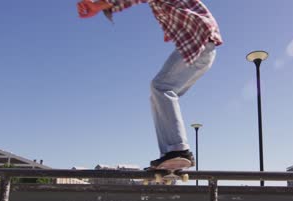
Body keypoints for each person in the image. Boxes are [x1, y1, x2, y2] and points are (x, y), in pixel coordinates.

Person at [77, 0, 223, 168]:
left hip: (200, 44)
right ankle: (170, 156)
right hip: (203, 49)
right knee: (159, 97)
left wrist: (100, 4)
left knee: (161, 87)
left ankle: (178, 151)